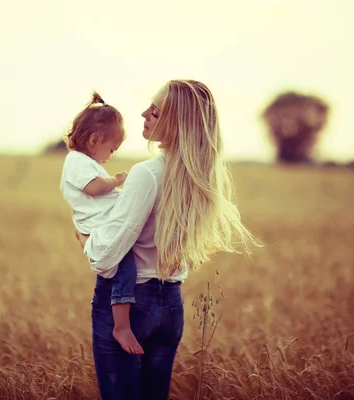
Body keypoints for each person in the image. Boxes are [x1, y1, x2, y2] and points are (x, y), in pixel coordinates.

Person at [76, 80, 260, 400]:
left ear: (176, 123)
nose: (144, 113)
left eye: (156, 111)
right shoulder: (199, 178)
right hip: (170, 307)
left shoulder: (146, 174)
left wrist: (84, 236)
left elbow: (105, 258)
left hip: (129, 304)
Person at [60, 92, 144, 355]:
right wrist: (116, 181)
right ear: (94, 139)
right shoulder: (77, 161)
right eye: (111, 149)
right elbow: (94, 188)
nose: (111, 155)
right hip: (100, 227)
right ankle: (121, 325)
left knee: (127, 266)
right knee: (125, 269)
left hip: (102, 225)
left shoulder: (85, 162)